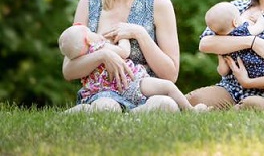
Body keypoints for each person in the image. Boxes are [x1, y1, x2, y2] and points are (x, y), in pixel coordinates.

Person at [61, 0, 181, 112]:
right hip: (101, 95)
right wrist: (102, 55)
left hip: (144, 93)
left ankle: (129, 117)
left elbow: (171, 75)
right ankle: (96, 114)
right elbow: (69, 71)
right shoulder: (88, 3)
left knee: (166, 105)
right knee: (106, 107)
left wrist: (139, 33)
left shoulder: (159, 4)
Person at [59, 24, 203, 112]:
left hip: (113, 88)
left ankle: (79, 111)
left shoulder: (79, 56)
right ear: (88, 40)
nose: (94, 33)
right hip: (131, 82)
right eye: (90, 32)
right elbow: (124, 52)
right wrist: (123, 36)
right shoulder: (98, 46)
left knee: (165, 93)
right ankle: (190, 110)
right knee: (167, 86)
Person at [204, 1, 264, 107]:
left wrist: (221, 62)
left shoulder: (223, 47)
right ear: (235, 22)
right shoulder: (244, 31)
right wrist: (260, 17)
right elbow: (261, 26)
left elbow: (223, 71)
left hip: (250, 73)